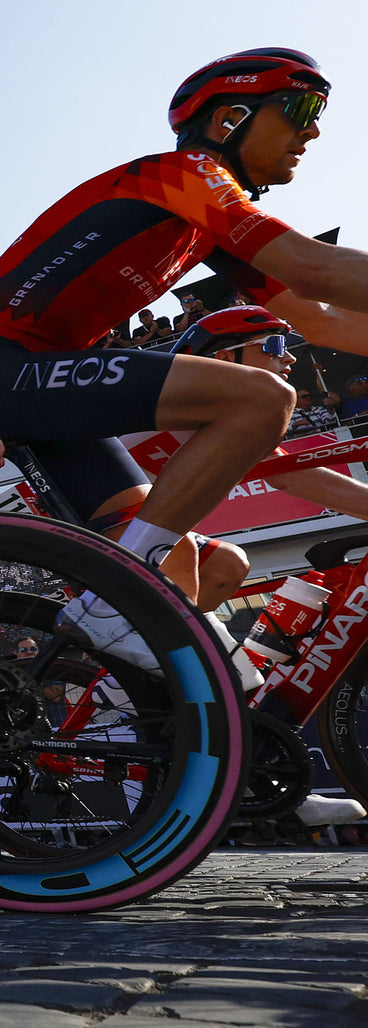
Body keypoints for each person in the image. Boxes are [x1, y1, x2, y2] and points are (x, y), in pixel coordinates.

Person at [0, 48, 368, 670]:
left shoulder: (208, 221)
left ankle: (149, 718)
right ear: (230, 118)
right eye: (301, 108)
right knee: (263, 397)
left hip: (38, 378)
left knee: (203, 565)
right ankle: (115, 601)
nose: (314, 130)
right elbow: (316, 269)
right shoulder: (185, 173)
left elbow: (317, 318)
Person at [128, 306, 368, 825]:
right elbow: (293, 480)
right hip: (92, 514)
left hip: (140, 520)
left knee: (228, 566)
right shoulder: (180, 392)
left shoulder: (233, 408)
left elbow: (294, 477)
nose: (289, 362)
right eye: (275, 348)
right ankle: (183, 719)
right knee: (186, 562)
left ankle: (242, 751)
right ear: (222, 356)